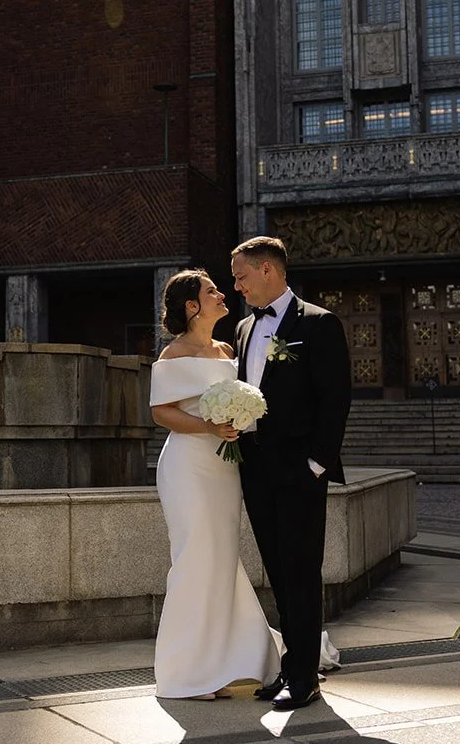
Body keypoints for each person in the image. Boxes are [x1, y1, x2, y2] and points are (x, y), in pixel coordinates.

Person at [232, 236, 353, 711]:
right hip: (255, 468)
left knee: (302, 570)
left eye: (241, 276)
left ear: (268, 270)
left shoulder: (319, 323)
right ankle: (291, 664)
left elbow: (335, 399)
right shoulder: (243, 328)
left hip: (300, 471)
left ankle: (305, 677)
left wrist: (317, 464)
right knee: (278, 571)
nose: (237, 286)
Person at [149, 270, 281, 700]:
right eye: (212, 292)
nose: (223, 294)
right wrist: (209, 426)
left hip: (226, 467)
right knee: (194, 558)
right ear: (192, 306)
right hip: (187, 467)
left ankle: (226, 662)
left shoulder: (227, 350)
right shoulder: (173, 354)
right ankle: (185, 673)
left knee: (221, 559)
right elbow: (161, 412)